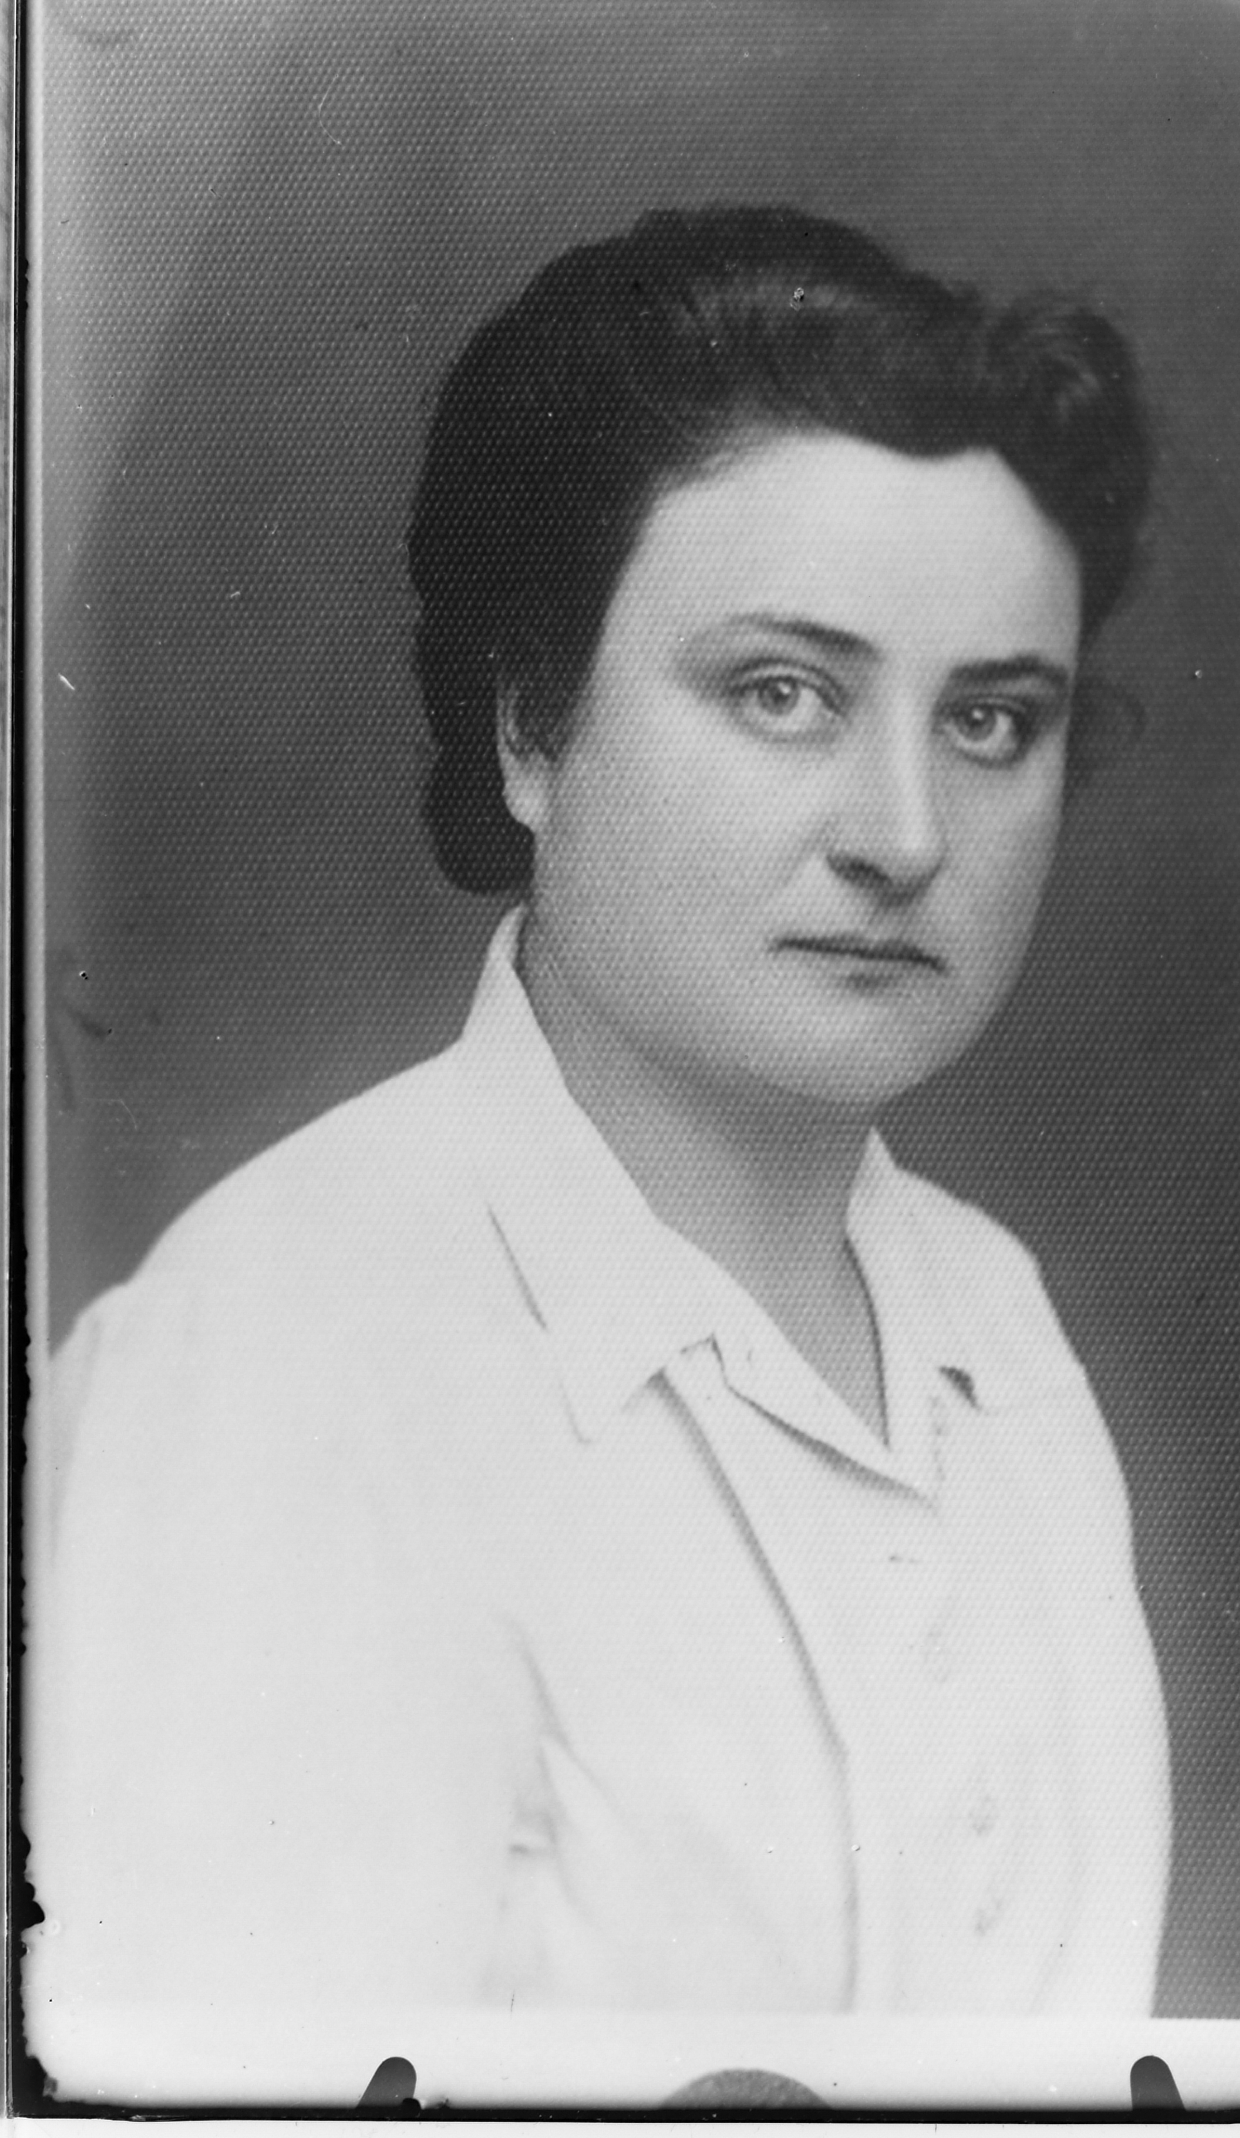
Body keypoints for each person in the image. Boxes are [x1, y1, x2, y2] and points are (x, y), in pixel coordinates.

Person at [25, 206, 1170, 2032]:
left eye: (990, 722)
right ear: (529, 730)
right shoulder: (281, 1362)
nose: (905, 835)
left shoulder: (996, 1322)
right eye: (782, 692)